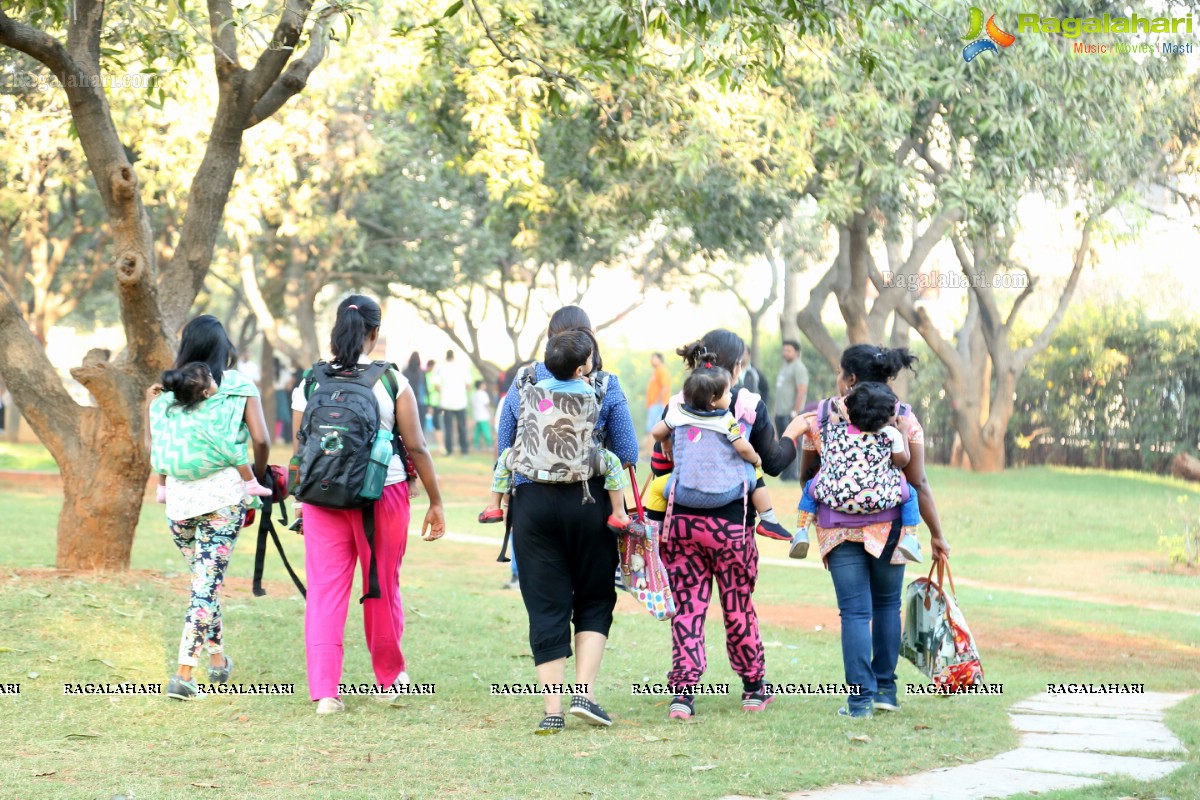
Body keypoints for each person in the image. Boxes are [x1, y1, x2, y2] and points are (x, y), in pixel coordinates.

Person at [291, 295, 446, 715]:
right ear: (374, 334)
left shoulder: (310, 381)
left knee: (324, 592)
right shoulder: (391, 380)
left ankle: (325, 692)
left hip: (322, 497)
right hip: (383, 493)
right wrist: (435, 500)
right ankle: (391, 681)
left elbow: (301, 449)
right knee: (380, 585)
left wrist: (306, 500)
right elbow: (415, 445)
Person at [649, 330, 810, 722]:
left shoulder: (678, 401)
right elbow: (771, 462)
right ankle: (754, 689)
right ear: (736, 366)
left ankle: (682, 696)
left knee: (687, 608)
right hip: (731, 528)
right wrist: (793, 432)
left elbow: (660, 460)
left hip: (683, 524)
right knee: (737, 607)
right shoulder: (748, 404)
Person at [496, 306, 637, 734]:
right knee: (594, 597)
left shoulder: (523, 381)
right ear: (588, 340)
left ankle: (552, 710)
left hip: (533, 505)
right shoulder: (605, 383)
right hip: (590, 503)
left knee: (545, 602)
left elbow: (506, 441)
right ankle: (585, 695)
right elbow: (627, 451)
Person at [797, 344, 951, 718]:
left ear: (850, 378)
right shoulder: (904, 418)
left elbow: (806, 475)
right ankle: (885, 690)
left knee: (853, 613)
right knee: (887, 605)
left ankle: (859, 702)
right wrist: (936, 533)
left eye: (839, 372)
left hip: (837, 527)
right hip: (892, 526)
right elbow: (919, 481)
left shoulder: (819, 417)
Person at [144, 315, 270, 701]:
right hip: (223, 499)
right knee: (205, 585)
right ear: (223, 349)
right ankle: (183, 675)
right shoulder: (239, 387)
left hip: (178, 502)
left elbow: (154, 448)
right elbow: (262, 439)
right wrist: (256, 480)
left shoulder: (165, 393)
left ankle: (217, 662)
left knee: (204, 583)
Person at [480, 332, 630, 533]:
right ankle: (619, 513)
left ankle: (493, 506)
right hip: (578, 464)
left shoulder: (536, 388)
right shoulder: (588, 391)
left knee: (505, 457)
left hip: (532, 461)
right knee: (613, 463)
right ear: (579, 370)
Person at [649, 365, 794, 540]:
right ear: (712, 399)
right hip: (724, 493)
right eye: (727, 393)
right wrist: (755, 459)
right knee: (753, 473)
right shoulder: (726, 419)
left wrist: (665, 442)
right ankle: (769, 519)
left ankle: (654, 531)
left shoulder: (678, 413)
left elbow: (656, 432)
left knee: (656, 488)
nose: (731, 395)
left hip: (684, 490)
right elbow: (742, 447)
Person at [791, 381, 921, 562]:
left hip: (835, 496)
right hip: (880, 498)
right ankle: (911, 539)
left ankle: (801, 531)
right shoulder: (891, 435)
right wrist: (903, 431)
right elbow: (902, 460)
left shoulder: (836, 431)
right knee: (911, 494)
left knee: (810, 489)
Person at [150, 362, 274, 505]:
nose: (216, 382)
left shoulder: (173, 410)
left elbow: (157, 428)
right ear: (206, 393)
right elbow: (256, 440)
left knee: (163, 451)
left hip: (172, 471)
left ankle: (161, 489)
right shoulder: (212, 411)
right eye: (213, 380)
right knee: (235, 451)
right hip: (215, 495)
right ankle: (252, 484)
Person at [773, 340, 809, 480]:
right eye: (784, 350)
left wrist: (795, 411)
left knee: (794, 444)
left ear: (796, 352)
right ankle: (787, 473)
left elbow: (802, 390)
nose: (785, 352)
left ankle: (795, 473)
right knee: (784, 444)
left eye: (789, 350)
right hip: (781, 413)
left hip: (792, 413)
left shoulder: (798, 367)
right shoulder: (785, 367)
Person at [438, 350, 470, 455]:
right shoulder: (462, 366)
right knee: (462, 427)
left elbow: (436, 386)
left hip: (446, 402)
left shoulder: (441, 367)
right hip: (461, 401)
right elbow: (468, 385)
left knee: (448, 428)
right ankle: (464, 450)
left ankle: (449, 450)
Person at [643, 352, 671, 448]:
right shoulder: (656, 371)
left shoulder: (662, 370)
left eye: (653, 358)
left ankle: (651, 453)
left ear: (659, 359)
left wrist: (660, 402)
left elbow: (664, 387)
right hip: (654, 405)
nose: (651, 360)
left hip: (658, 405)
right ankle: (649, 452)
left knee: (652, 428)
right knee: (650, 428)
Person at [403, 352, 427, 438]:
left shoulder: (405, 372)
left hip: (407, 402)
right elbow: (424, 388)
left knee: (408, 424)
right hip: (420, 402)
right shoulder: (421, 373)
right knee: (420, 424)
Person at [273, 358, 294, 444]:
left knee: (273, 415)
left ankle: (274, 435)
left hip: (272, 394)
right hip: (281, 394)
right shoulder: (284, 373)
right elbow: (288, 387)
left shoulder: (268, 372)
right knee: (280, 416)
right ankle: (278, 436)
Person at [471, 380, 494, 451]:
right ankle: (490, 445)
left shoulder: (474, 395)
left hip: (477, 416)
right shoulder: (483, 394)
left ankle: (476, 446)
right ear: (481, 385)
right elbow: (487, 405)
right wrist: (491, 414)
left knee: (477, 433)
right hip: (483, 416)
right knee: (486, 432)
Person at [423, 358, 441, 449]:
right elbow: (438, 388)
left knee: (425, 424)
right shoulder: (434, 375)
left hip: (425, 402)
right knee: (437, 425)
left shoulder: (424, 375)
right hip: (433, 403)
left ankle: (425, 445)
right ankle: (441, 446)